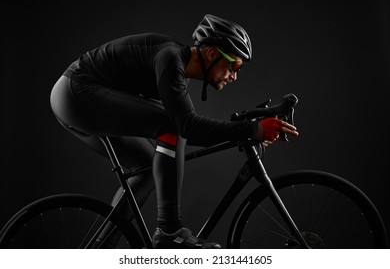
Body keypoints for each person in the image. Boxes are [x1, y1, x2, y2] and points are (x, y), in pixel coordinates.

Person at [50, 14, 299, 249]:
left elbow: (189, 133)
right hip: (76, 92)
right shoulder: (170, 58)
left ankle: (100, 250)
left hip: (79, 96)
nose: (235, 76)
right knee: (172, 125)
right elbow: (187, 127)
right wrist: (252, 129)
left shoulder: (177, 71)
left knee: (147, 169)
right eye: (234, 65)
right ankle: (170, 232)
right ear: (212, 53)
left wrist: (246, 132)